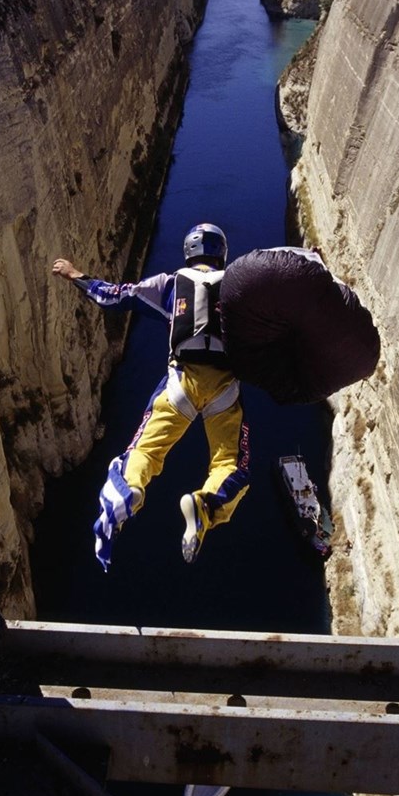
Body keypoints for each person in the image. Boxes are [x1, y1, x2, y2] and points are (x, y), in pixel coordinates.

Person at [52, 223, 250, 571]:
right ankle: (207, 505)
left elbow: (114, 296)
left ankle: (128, 492)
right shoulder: (242, 286)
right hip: (225, 387)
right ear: (223, 254)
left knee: (145, 451)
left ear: (189, 253)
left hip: (181, 382)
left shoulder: (169, 283)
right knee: (229, 464)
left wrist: (74, 275)